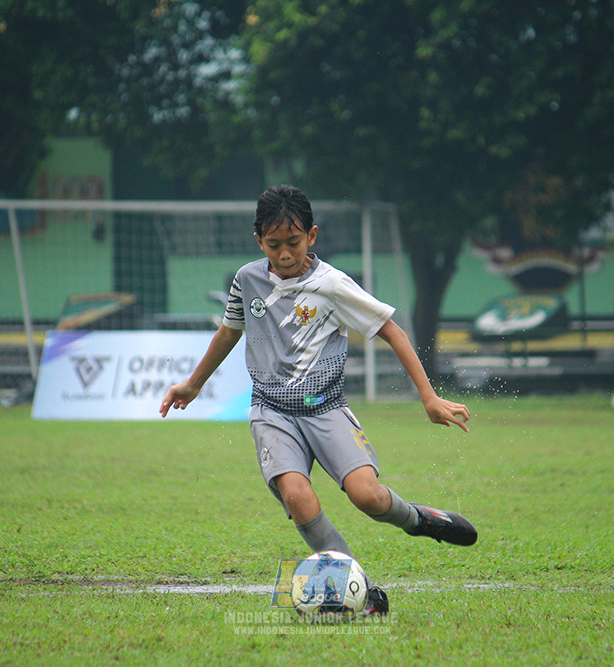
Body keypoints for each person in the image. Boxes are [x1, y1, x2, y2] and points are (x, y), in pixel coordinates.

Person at [159, 184, 476, 617]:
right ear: (259, 242)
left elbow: (391, 330)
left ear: (312, 235)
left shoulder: (332, 284)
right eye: (274, 246)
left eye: (293, 243)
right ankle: (360, 589)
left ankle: (419, 520)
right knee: (298, 498)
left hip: (327, 408)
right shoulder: (247, 279)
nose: (285, 254)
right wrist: (193, 384)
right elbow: (230, 331)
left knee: (368, 498)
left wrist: (429, 397)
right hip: (272, 412)